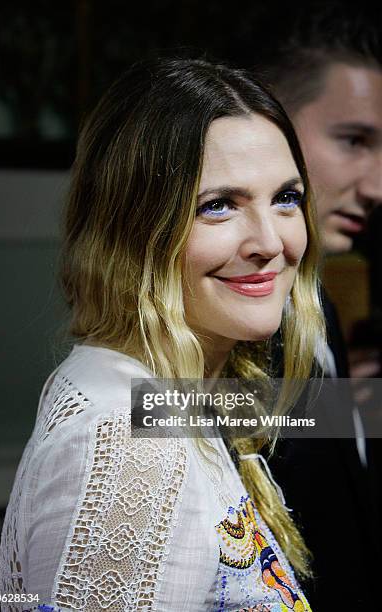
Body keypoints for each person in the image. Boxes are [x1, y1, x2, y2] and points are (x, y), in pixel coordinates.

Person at [0, 58, 325, 611]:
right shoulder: (130, 440)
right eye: (218, 206)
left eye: (286, 198)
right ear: (133, 230)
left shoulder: (163, 398)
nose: (270, 241)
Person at [248, 5, 382, 609]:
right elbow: (152, 408)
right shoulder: (233, 299)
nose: (378, 185)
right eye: (354, 140)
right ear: (265, 120)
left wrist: (347, 412)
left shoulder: (313, 287)